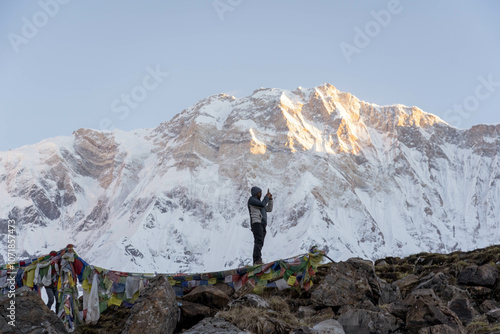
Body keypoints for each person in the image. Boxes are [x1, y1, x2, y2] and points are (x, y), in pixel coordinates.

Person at [248, 186, 273, 265]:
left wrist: (270, 199)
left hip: (262, 224)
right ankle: (257, 260)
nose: (261, 194)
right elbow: (262, 204)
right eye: (259, 192)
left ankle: (257, 259)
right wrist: (266, 197)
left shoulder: (258, 203)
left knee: (260, 241)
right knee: (258, 240)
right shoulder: (252, 200)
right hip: (257, 223)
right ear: (255, 193)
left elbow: (269, 209)